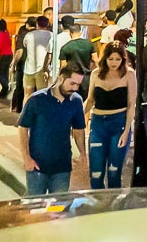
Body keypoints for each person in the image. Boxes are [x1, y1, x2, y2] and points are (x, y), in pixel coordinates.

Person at [18, 64, 87, 195]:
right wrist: (26, 157)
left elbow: (79, 129)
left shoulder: (76, 101)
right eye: (72, 83)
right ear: (60, 79)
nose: (75, 88)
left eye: (78, 85)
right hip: (37, 165)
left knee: (59, 205)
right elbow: (22, 128)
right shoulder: (37, 99)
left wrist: (83, 153)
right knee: (36, 204)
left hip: (62, 166)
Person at [83, 41, 137, 190]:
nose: (114, 63)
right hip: (98, 123)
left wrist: (126, 131)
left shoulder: (129, 74)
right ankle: (98, 201)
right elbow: (90, 99)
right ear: (105, 58)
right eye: (111, 59)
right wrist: (77, 116)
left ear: (123, 59)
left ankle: (114, 202)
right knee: (95, 173)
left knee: (114, 172)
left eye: (118, 59)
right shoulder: (96, 73)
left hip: (119, 124)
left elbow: (131, 104)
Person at [19, 16, 52, 101]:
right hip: (42, 69)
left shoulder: (29, 35)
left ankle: (26, 109)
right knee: (42, 95)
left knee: (27, 94)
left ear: (37, 24)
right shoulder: (51, 35)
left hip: (29, 68)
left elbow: (25, 45)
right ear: (47, 24)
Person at [59, 22, 95, 99]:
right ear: (80, 32)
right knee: (85, 99)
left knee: (72, 99)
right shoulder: (89, 44)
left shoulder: (65, 47)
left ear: (70, 33)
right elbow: (96, 60)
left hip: (72, 78)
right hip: (86, 77)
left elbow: (63, 66)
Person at [12, 17, 35, 112]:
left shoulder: (23, 34)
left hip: (23, 62)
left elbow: (20, 51)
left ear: (27, 24)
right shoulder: (41, 34)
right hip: (36, 64)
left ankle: (19, 107)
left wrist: (13, 63)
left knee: (21, 86)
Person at [0, 20, 13, 98]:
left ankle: (6, 87)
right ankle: (4, 90)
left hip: (3, 55)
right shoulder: (7, 34)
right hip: (9, 54)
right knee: (5, 72)